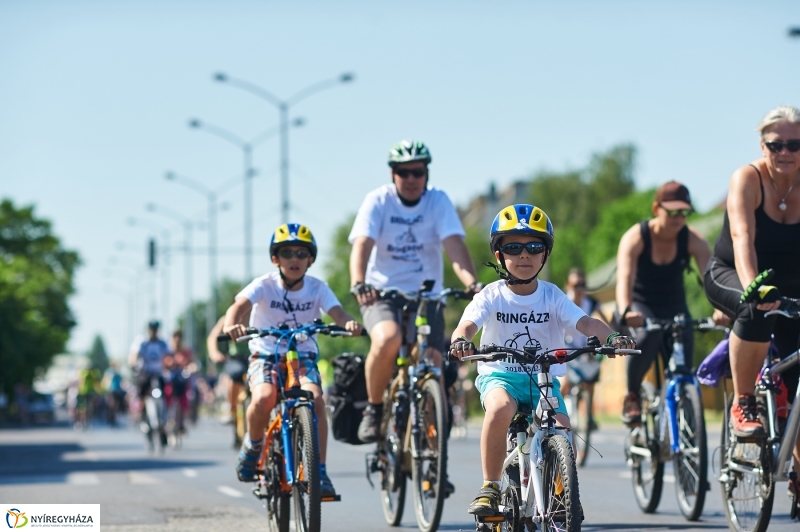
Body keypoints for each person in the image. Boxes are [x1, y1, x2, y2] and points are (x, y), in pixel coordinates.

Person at [449, 204, 635, 518]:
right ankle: (490, 487)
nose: (524, 255)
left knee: (563, 432)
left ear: (545, 254)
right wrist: (460, 340)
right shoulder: (491, 295)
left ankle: (558, 498)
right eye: (513, 248)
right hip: (501, 378)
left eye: (534, 247)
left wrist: (611, 336)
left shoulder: (552, 296)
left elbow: (585, 322)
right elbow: (468, 325)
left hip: (543, 380)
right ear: (499, 256)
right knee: (499, 409)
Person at [349, 139, 481, 447]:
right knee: (388, 338)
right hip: (382, 293)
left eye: (417, 172)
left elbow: (454, 247)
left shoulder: (438, 202)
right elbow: (362, 246)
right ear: (393, 174)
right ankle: (374, 408)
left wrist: (471, 283)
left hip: (427, 296)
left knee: (434, 363)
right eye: (403, 172)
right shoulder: (378, 201)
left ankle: (433, 463)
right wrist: (359, 282)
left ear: (426, 173)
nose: (411, 179)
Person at [223, 223, 364, 498]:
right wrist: (232, 324)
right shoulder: (264, 285)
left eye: (301, 253)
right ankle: (253, 445)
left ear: (310, 259)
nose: (294, 259)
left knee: (316, 399)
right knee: (264, 397)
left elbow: (337, 312)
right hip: (265, 353)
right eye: (287, 253)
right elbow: (238, 306)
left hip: (302, 355)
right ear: (275, 259)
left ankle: (319, 470)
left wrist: (349, 324)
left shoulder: (317, 288)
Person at [703, 104, 800, 478]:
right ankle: (744, 402)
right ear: (763, 147)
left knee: (795, 384)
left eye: (795, 144)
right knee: (756, 310)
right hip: (733, 271)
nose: (786, 153)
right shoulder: (747, 178)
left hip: (791, 287)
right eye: (777, 145)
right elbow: (743, 238)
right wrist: (754, 287)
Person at [615, 181, 711, 425]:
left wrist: (722, 307)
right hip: (639, 304)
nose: (679, 218)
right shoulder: (636, 237)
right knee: (648, 336)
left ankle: (686, 409)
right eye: (673, 212)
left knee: (685, 350)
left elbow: (713, 278)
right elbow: (624, 279)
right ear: (656, 208)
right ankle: (633, 394)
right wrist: (626, 311)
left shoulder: (692, 240)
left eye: (684, 212)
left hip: (673, 306)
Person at [128, 320, 171, 445]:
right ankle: (142, 415)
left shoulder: (163, 342)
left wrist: (169, 364)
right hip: (145, 373)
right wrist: (133, 365)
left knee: (166, 394)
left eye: (155, 329)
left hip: (158, 373)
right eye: (152, 329)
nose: (153, 331)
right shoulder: (142, 341)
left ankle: (163, 423)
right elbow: (133, 355)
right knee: (141, 391)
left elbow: (168, 356)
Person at [208, 316, 250, 439]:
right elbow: (213, 337)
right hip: (235, 358)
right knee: (235, 374)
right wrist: (214, 352)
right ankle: (231, 409)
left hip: (254, 355)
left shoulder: (259, 312)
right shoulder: (228, 318)